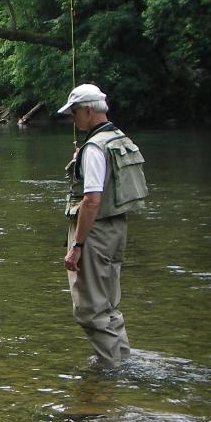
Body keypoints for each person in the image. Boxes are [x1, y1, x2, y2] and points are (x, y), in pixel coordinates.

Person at [58, 84, 147, 369]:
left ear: (87, 110)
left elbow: (92, 201)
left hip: (95, 232)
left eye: (74, 114)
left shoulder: (95, 148)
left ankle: (111, 372)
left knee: (89, 310)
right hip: (117, 228)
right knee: (108, 305)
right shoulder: (118, 138)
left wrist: (77, 246)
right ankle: (121, 361)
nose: (73, 120)